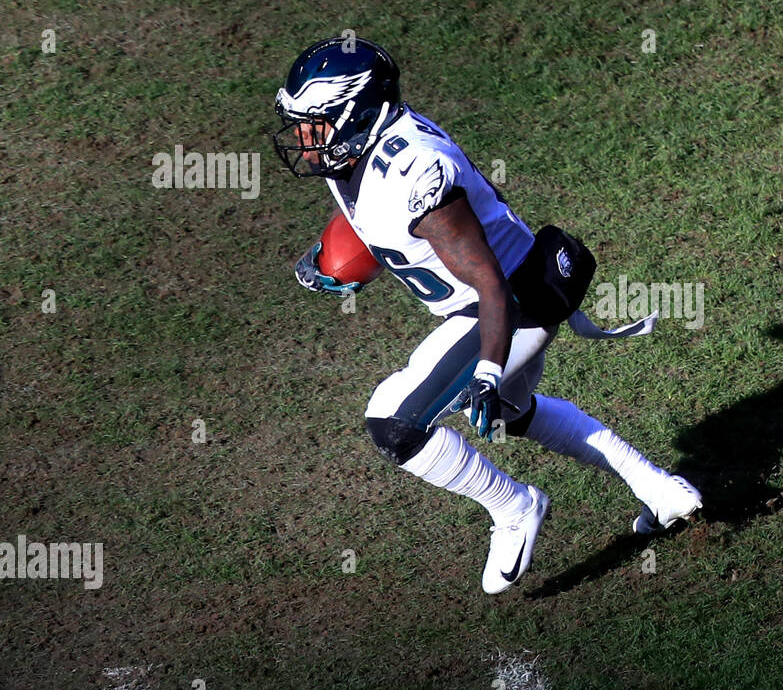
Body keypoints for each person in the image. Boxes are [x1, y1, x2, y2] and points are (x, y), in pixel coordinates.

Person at [271, 36, 701, 593]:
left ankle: (515, 507)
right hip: (495, 296)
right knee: (509, 416)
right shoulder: (360, 149)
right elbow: (384, 223)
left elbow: (489, 282)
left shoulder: (412, 177)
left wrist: (487, 373)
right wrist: (339, 259)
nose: (303, 137)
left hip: (507, 303)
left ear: (358, 114)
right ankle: (660, 489)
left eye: (315, 122)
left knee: (394, 424)